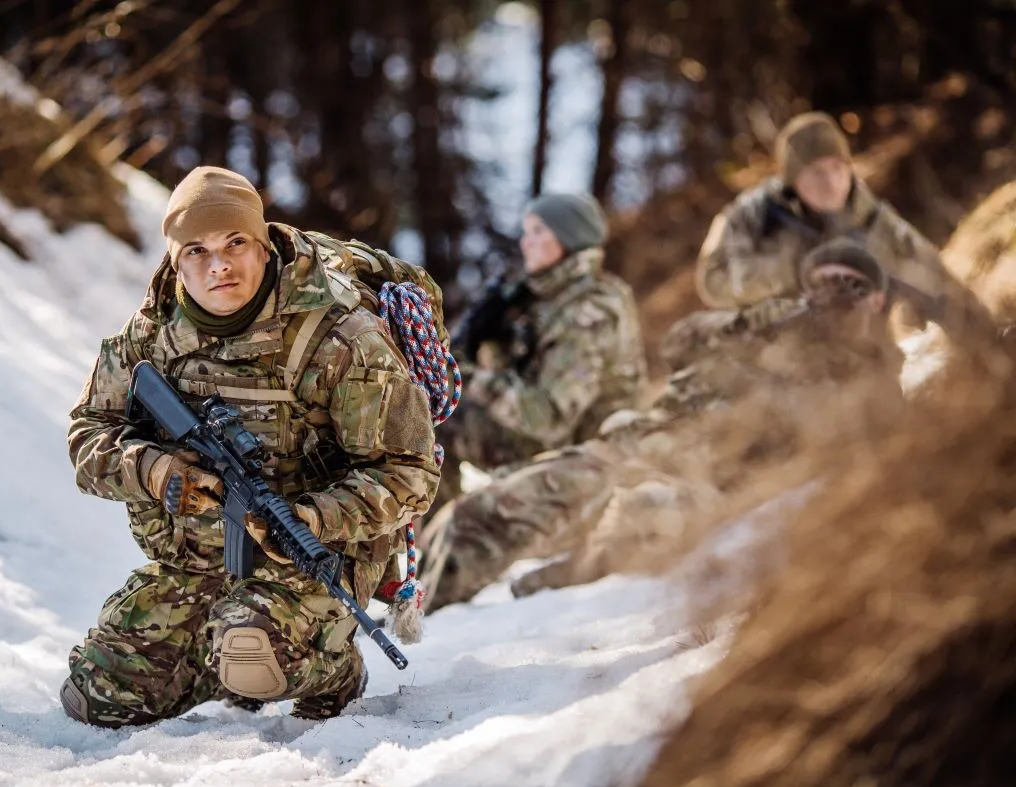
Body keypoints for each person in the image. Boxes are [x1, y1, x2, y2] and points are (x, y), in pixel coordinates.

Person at [60, 166, 440, 727]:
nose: (218, 265)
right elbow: (88, 433)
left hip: (315, 558)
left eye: (235, 242)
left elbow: (409, 473)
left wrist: (312, 518)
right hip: (194, 561)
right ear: (175, 261)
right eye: (197, 250)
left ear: (263, 245)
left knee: (251, 654)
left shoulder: (339, 338)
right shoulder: (150, 334)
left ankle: (333, 669)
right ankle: (221, 660)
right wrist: (154, 470)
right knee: (97, 695)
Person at [421, 239, 906, 609]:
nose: (834, 295)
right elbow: (679, 343)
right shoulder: (766, 332)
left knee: (644, 516)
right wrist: (758, 322)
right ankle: (416, 624)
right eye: (824, 282)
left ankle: (560, 577)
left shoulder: (875, 379)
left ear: (877, 301)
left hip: (702, 483)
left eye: (851, 286)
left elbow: (862, 453)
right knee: (476, 515)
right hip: (634, 449)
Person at [431, 191, 647, 518]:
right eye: (526, 231)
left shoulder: (588, 312)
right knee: (436, 412)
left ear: (567, 237)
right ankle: (438, 531)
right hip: (562, 442)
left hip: (587, 456)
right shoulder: (549, 298)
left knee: (442, 422)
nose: (525, 243)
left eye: (537, 231)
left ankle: (441, 536)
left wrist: (472, 379)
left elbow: (549, 417)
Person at [696, 111, 991, 341]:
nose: (830, 182)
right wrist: (792, 269)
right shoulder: (752, 216)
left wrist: (983, 328)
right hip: (777, 352)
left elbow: (933, 272)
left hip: (861, 350)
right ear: (793, 181)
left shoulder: (869, 214)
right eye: (816, 172)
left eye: (838, 168)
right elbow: (711, 282)